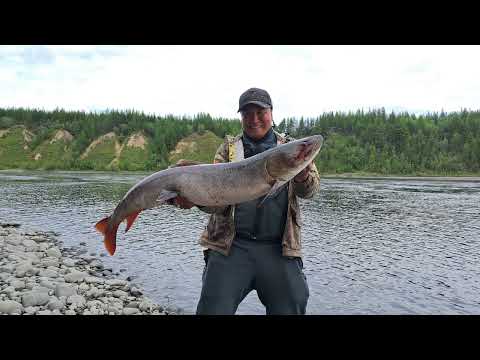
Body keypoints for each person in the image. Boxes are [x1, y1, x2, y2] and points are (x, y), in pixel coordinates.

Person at [172, 88, 320, 315]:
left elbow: (310, 191)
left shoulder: (295, 148)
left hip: (279, 250)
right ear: (241, 117)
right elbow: (217, 203)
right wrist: (195, 200)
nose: (254, 119)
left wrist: (300, 174)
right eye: (247, 113)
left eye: (260, 112)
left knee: (293, 304)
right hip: (231, 247)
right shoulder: (227, 150)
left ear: (271, 112)